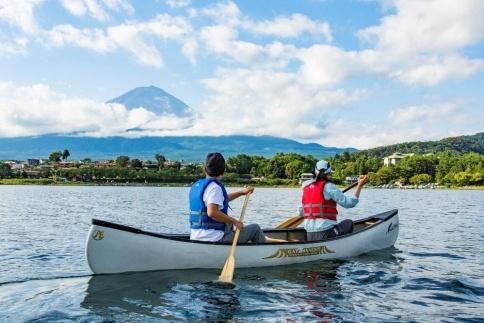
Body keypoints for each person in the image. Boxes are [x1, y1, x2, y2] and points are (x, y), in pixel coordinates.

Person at [189, 152, 266, 243]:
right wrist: (234, 221)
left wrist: (241, 192)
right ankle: (263, 255)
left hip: (195, 236)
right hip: (215, 238)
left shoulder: (198, 185)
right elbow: (212, 212)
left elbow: (221, 200)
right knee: (255, 229)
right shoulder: (215, 187)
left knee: (232, 228)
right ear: (223, 171)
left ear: (205, 169)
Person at [301, 159, 369, 241]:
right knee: (348, 223)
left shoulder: (306, 188)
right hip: (326, 233)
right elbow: (349, 203)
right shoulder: (329, 186)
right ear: (329, 172)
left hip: (309, 235)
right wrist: (359, 186)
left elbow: (300, 212)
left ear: (315, 172)